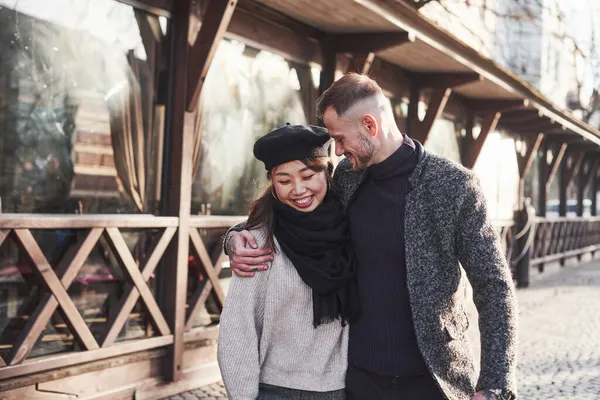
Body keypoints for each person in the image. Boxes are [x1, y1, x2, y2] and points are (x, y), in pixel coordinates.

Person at [224, 73, 518, 400]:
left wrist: (494, 384)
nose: (335, 149)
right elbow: (291, 203)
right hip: (357, 381)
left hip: (433, 380)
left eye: (339, 138)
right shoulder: (347, 178)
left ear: (369, 125)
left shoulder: (454, 186)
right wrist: (237, 236)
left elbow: (494, 284)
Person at [217, 124, 361, 400]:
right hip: (274, 391)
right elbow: (237, 331)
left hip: (340, 390)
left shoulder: (350, 229)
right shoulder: (258, 244)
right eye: (284, 181)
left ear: (327, 172)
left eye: (308, 176)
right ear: (273, 184)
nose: (298, 189)